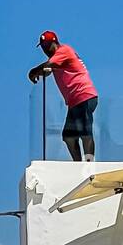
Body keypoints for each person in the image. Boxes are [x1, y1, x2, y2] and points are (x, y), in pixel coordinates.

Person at [29, 30, 98, 161]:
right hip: (74, 101)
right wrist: (40, 73)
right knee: (68, 136)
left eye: (47, 45)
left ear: (54, 43)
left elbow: (49, 66)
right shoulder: (56, 59)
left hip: (84, 95)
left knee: (85, 132)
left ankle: (89, 164)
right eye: (43, 47)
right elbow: (48, 70)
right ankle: (78, 164)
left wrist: (33, 72)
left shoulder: (63, 51)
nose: (45, 49)